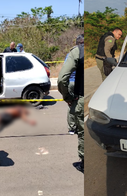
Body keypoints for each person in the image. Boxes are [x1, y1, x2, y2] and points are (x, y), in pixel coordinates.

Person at [58, 33, 84, 173]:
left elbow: (62, 78)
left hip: (74, 85)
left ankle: (71, 126)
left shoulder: (75, 52)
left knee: (73, 108)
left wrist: (67, 96)